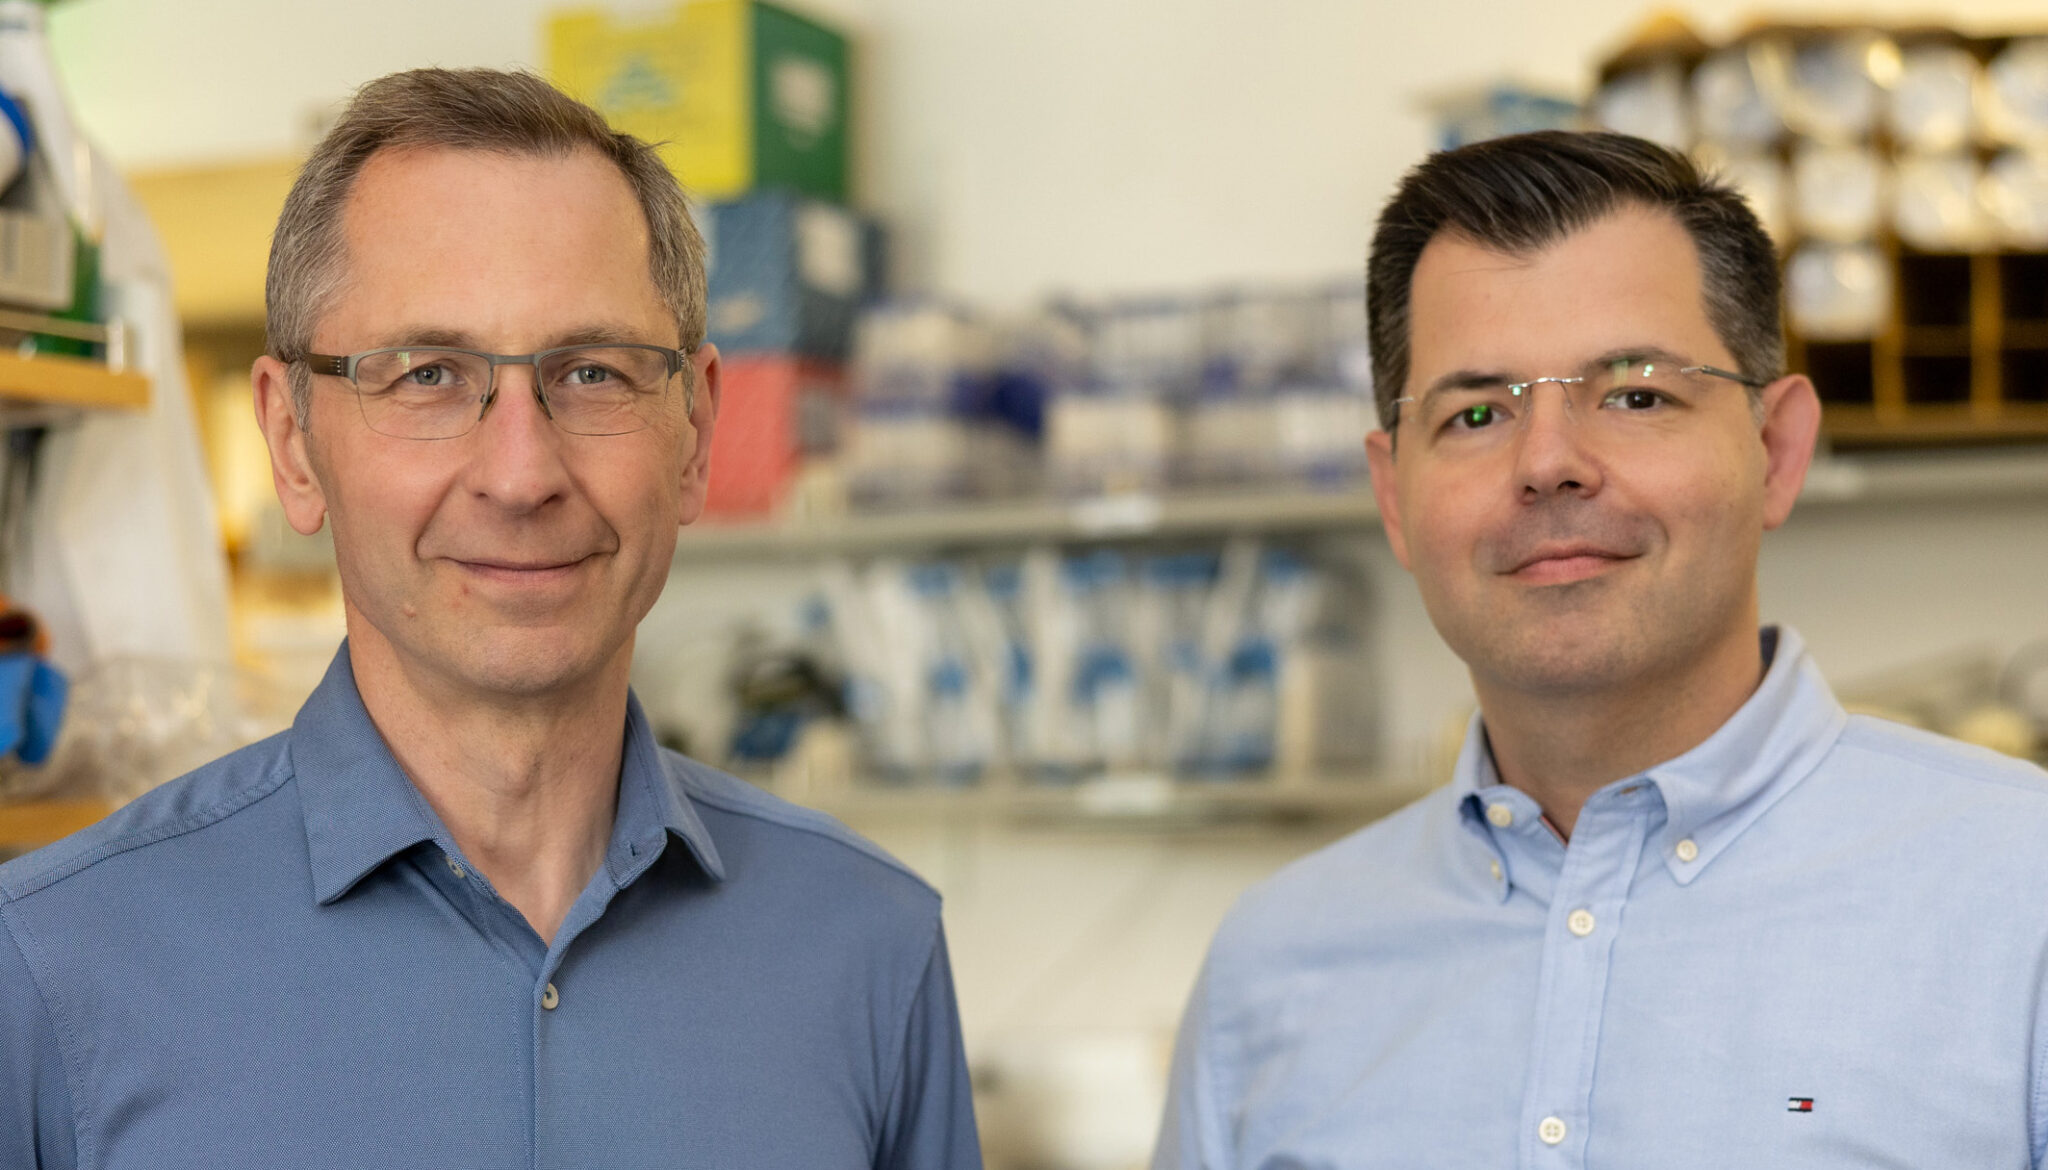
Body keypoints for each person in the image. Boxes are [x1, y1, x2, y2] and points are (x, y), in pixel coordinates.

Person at [0, 68, 979, 1169]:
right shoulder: (50, 969)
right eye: (427, 375)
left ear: (695, 433)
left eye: (594, 372)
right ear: (292, 441)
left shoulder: (871, 949)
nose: (520, 475)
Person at [1153, 130, 2048, 1169]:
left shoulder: (2017, 896)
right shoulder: (1269, 974)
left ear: (1775, 451)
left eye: (1633, 395)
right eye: (1475, 412)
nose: (1546, 465)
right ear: (1392, 495)